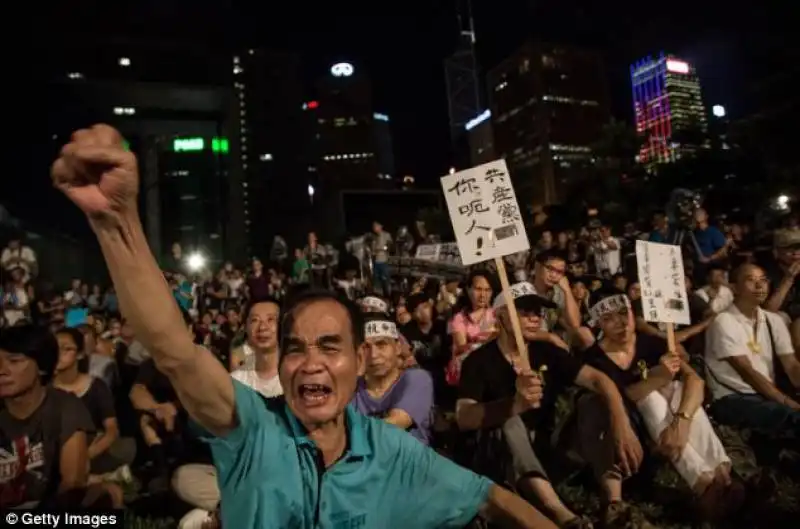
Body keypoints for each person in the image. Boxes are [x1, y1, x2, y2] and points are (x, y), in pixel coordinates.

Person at [51, 124, 560, 528]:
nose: (310, 361)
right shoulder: (252, 428)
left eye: (330, 345)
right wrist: (117, 223)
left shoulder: (391, 451)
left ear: (360, 360)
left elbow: (490, 498)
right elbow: (175, 351)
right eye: (296, 347)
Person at [457, 282, 642, 529]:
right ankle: (563, 515)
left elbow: (599, 380)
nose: (535, 318)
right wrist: (515, 404)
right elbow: (463, 417)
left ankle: (614, 506)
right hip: (504, 459)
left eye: (538, 312)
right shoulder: (478, 361)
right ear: (501, 315)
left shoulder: (547, 351)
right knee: (509, 420)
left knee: (593, 401)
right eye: (525, 312)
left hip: (549, 448)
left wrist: (621, 424)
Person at [0, 325, 120, 509]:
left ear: (41, 366)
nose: (2, 370)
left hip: (49, 512)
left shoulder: (65, 407)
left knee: (104, 496)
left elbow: (72, 484)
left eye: (14, 361)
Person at [353, 316, 434, 444]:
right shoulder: (351, 387)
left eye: (381, 345)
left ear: (397, 348)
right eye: (366, 347)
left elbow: (396, 422)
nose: (374, 355)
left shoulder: (417, 379)